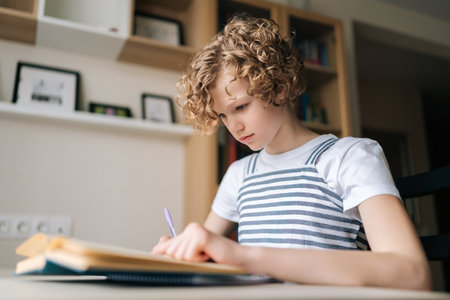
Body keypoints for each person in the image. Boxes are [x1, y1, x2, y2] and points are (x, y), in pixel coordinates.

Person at [152, 14, 431, 290]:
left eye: (240, 107)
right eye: (223, 115)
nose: (233, 126)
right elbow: (205, 255)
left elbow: (412, 273)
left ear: (280, 88)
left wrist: (244, 256)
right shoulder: (239, 175)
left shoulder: (348, 157)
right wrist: (182, 253)